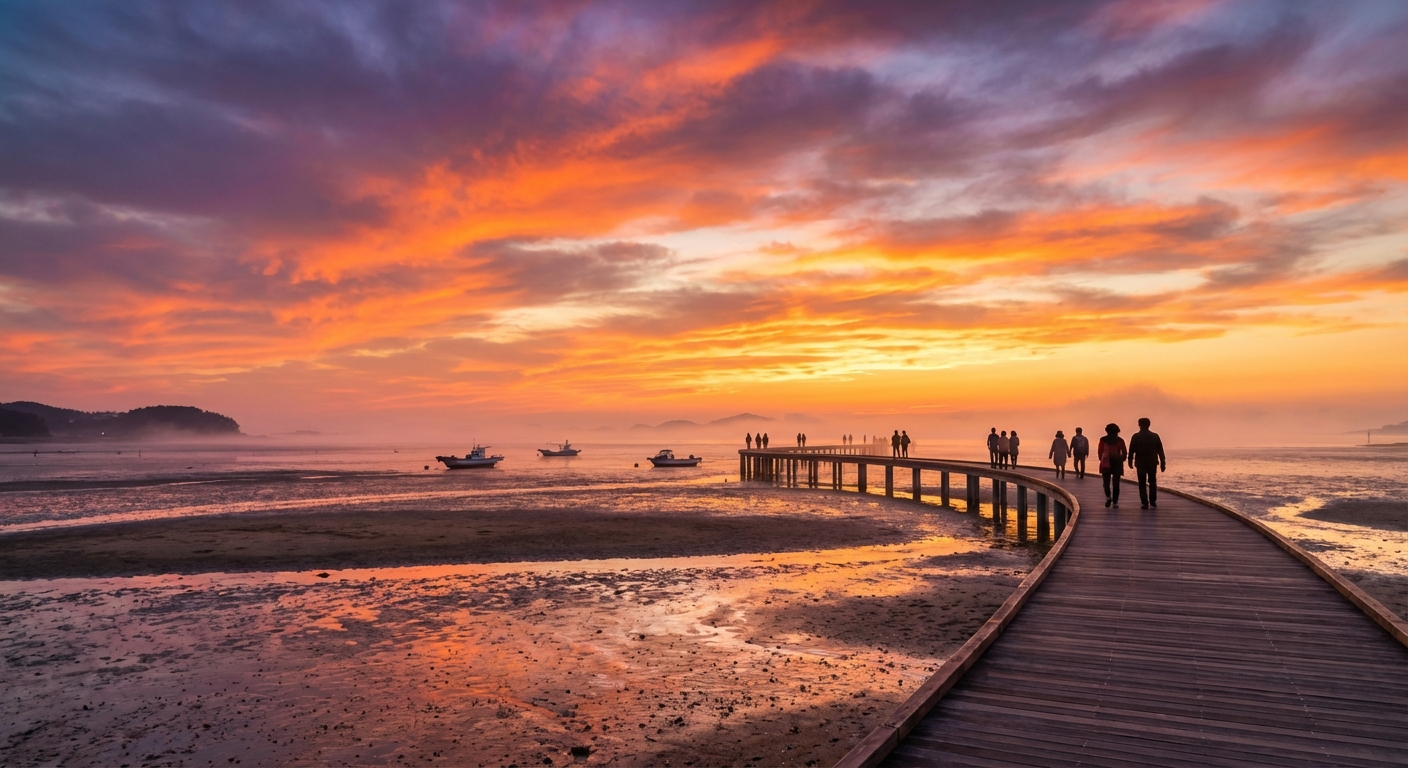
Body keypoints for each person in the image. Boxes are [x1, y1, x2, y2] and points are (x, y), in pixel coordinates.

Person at [1127, 417, 1166, 509]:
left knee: (1142, 483)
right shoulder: (1155, 436)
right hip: (1152, 462)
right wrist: (1163, 462)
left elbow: (1131, 450)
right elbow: (1160, 450)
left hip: (1140, 463)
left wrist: (1130, 461)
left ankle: (1144, 502)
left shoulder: (1135, 436)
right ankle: (1153, 501)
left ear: (1139, 425)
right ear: (1149, 425)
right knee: (1152, 481)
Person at [1098, 423, 1127, 508]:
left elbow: (1100, 452)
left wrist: (1102, 459)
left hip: (1106, 462)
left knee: (1106, 483)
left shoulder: (1103, 440)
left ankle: (1108, 497)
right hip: (1117, 462)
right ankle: (1115, 502)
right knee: (1116, 483)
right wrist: (1122, 459)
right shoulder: (1120, 440)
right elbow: (1124, 452)